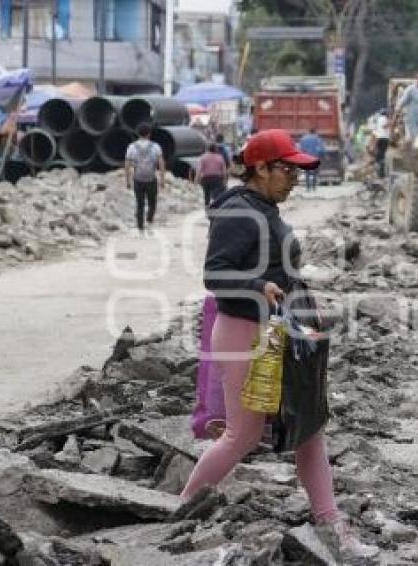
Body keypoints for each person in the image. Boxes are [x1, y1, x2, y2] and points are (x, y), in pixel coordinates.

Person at [182, 128, 379, 561]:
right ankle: (183, 510)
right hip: (243, 332)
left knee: (309, 430)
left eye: (296, 170)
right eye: (286, 169)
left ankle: (334, 529)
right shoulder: (238, 211)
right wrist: (259, 284)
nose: (293, 177)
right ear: (260, 169)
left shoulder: (263, 207)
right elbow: (214, 275)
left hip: (274, 333)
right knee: (241, 436)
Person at [125, 123, 166, 235]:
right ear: (149, 133)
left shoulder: (132, 147)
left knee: (140, 203)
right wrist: (162, 179)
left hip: (138, 178)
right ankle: (149, 220)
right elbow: (161, 163)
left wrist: (127, 180)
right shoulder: (155, 146)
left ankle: (140, 226)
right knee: (153, 202)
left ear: (138, 133)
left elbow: (127, 164)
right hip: (151, 178)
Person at [197, 143, 228, 208]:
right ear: (216, 149)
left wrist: (197, 179)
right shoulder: (220, 157)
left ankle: (207, 207)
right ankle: (216, 208)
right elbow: (224, 170)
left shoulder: (203, 157)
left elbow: (199, 169)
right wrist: (225, 180)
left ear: (208, 149)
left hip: (206, 179)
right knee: (217, 195)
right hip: (217, 179)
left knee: (206, 195)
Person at [372, 109, 391, 178]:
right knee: (382, 155)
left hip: (379, 138)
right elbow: (384, 126)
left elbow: (375, 131)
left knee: (380, 154)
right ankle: (381, 173)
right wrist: (390, 123)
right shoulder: (383, 118)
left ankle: (378, 170)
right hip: (384, 138)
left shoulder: (378, 120)